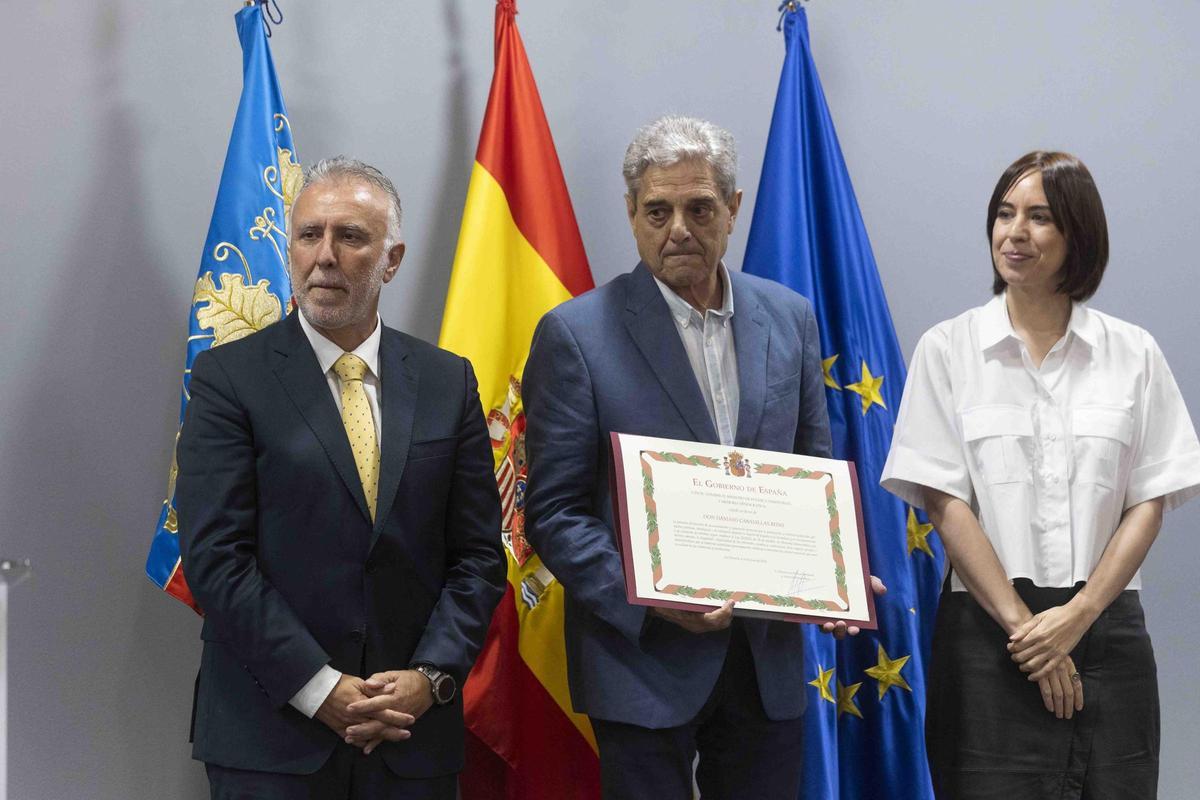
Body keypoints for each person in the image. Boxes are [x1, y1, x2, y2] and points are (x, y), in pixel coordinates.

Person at [522, 115, 879, 800]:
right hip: (641, 664)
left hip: (765, 661)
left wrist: (836, 574)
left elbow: (813, 471)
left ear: (734, 210)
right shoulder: (575, 334)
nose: (678, 228)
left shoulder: (791, 317)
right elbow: (555, 512)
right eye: (657, 210)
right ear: (631, 214)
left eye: (699, 208)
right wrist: (650, 598)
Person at [176, 157, 506, 800]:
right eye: (308, 235)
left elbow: (477, 557)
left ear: (392, 258)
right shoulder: (227, 379)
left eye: (350, 237)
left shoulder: (447, 381)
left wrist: (430, 677)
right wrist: (317, 686)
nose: (324, 257)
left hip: (410, 736)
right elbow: (216, 559)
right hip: (270, 739)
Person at [881, 151, 1200, 798]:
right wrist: (1030, 632)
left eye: (1039, 217)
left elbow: (1151, 498)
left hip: (1107, 628)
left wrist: (1079, 615)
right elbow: (944, 502)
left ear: (1078, 235)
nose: (1014, 233)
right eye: (1004, 214)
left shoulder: (1133, 353)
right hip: (987, 637)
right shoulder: (947, 349)